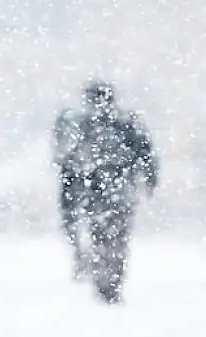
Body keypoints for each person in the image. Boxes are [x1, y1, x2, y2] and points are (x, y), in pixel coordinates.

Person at [52, 79, 158, 302]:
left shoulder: (86, 125)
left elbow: (67, 162)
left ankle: (106, 279)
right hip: (116, 192)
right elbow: (145, 154)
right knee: (114, 239)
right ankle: (109, 280)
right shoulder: (123, 123)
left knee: (104, 237)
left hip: (100, 193)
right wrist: (148, 179)